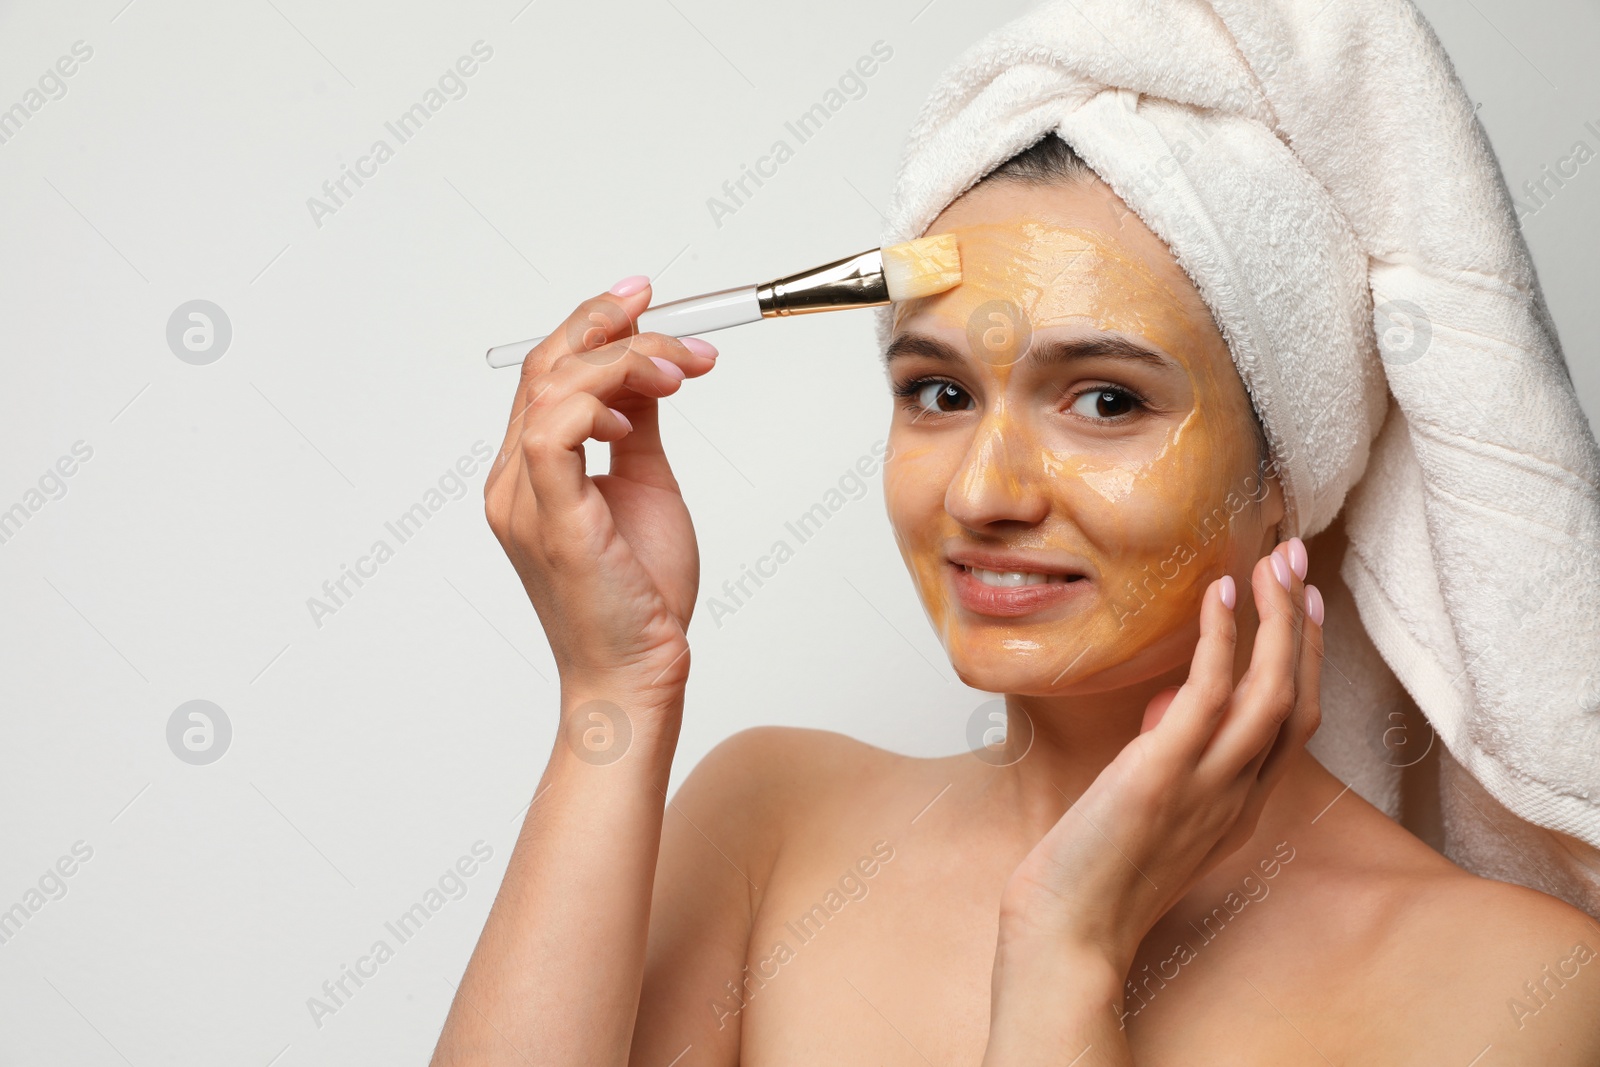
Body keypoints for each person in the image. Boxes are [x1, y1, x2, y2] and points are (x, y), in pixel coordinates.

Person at [429, 134, 1600, 1065]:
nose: (983, 491)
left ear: (1287, 475)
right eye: (937, 391)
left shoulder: (1512, 984)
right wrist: (616, 687)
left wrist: (1065, 955)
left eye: (1102, 402)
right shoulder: (773, 825)